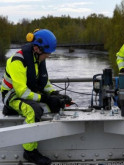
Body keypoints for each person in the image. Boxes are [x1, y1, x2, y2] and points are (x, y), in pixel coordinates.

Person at [1, 29, 72, 165]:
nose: (48, 56)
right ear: (37, 48)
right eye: (47, 54)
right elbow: (22, 92)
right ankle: (30, 152)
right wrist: (45, 99)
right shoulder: (17, 61)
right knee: (34, 111)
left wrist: (54, 94)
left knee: (55, 103)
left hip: (28, 92)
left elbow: (44, 83)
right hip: (12, 96)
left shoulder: (37, 58)